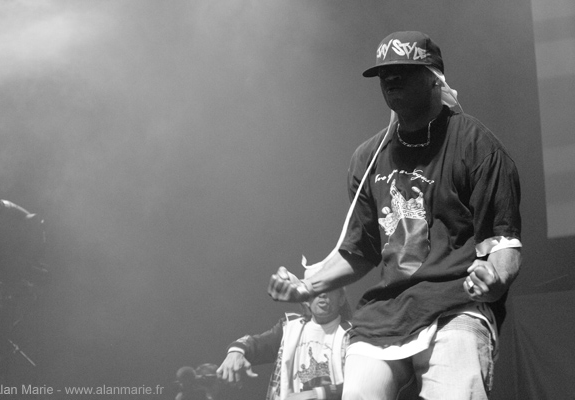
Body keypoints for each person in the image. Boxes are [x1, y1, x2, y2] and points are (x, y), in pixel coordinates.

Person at [267, 31, 522, 400]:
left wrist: (495, 279)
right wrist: (308, 286)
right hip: (386, 315)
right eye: (384, 74)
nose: (391, 80)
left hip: (455, 306)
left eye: (403, 71)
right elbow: (360, 250)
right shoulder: (368, 157)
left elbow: (503, 242)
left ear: (434, 78)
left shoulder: (476, 145)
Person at [217, 266, 353, 400]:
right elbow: (256, 344)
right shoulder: (289, 328)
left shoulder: (353, 335)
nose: (322, 294)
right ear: (307, 299)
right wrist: (236, 352)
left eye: (330, 289)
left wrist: (318, 394)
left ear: (341, 298)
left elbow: (360, 384)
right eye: (317, 289)